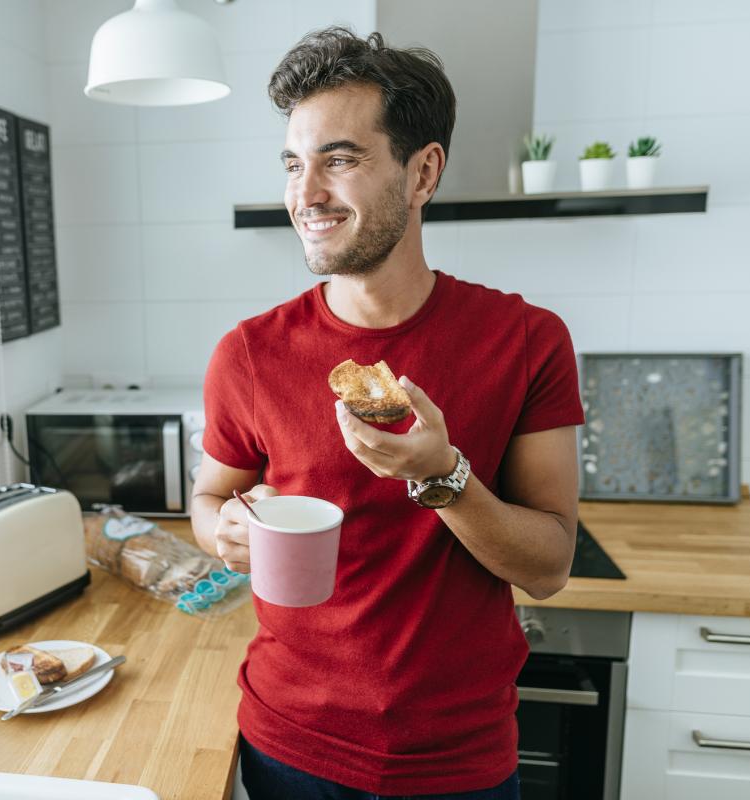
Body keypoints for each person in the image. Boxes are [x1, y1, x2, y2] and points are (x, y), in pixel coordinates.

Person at [191, 27, 584, 800]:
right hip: (289, 748)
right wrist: (226, 531)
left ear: (422, 173)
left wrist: (443, 476)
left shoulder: (527, 341)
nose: (305, 195)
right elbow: (207, 502)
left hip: (458, 762)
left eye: (339, 159)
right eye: (293, 165)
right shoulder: (248, 354)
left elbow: (550, 567)